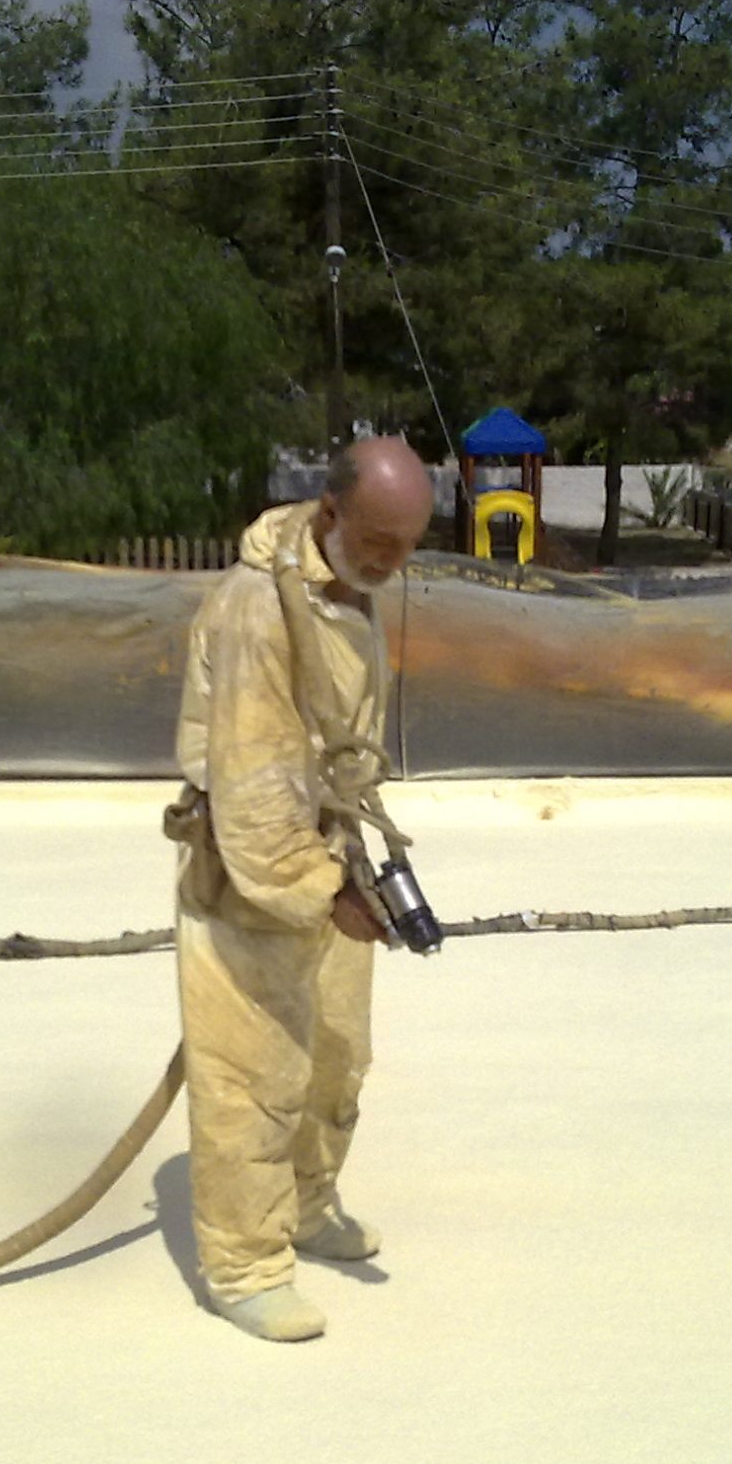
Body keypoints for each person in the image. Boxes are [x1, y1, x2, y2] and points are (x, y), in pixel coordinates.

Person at [168, 438, 436, 1342]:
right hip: (253, 872)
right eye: (377, 541)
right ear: (330, 512)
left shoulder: (345, 588)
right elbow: (252, 784)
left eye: (406, 546)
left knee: (335, 1054)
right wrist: (322, 891)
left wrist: (345, 868)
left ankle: (308, 1205)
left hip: (327, 849)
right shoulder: (259, 610)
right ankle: (245, 1266)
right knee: (253, 1074)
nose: (390, 562)